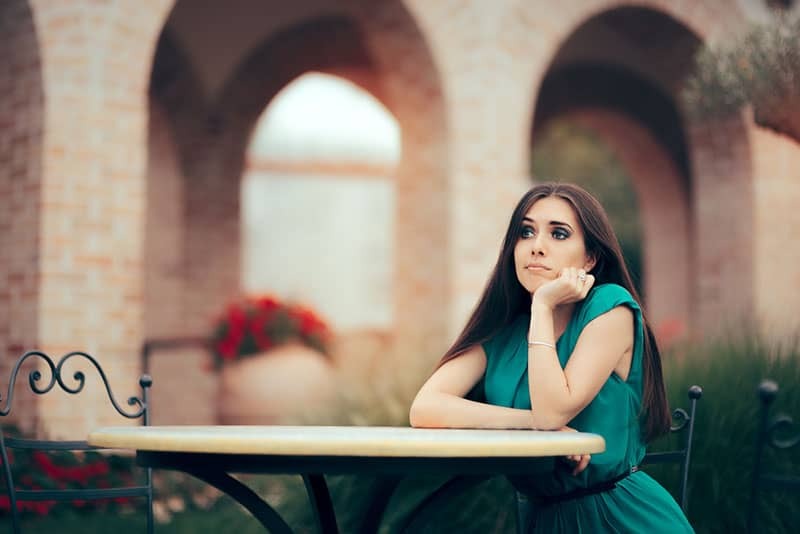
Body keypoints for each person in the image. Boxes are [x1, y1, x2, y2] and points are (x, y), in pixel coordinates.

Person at [409, 182, 693, 532]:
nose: (537, 247)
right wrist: (527, 422)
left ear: (590, 258)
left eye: (558, 234)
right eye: (526, 232)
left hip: (617, 517)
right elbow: (425, 408)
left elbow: (552, 411)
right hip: (543, 520)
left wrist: (542, 306)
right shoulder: (503, 333)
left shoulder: (609, 309)